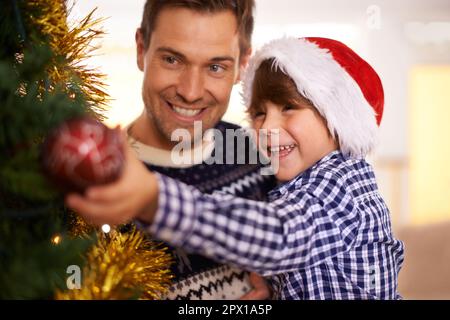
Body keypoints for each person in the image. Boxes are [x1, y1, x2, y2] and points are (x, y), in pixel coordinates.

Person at [67, 37, 405, 299]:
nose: (267, 128)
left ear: (338, 120)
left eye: (289, 107)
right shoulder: (302, 185)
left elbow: (279, 235)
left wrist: (154, 197)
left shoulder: (341, 184)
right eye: (259, 113)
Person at [120, 0, 276, 299]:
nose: (190, 92)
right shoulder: (98, 183)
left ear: (243, 64)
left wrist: (282, 288)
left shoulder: (267, 157)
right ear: (142, 49)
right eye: (172, 60)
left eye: (215, 67)